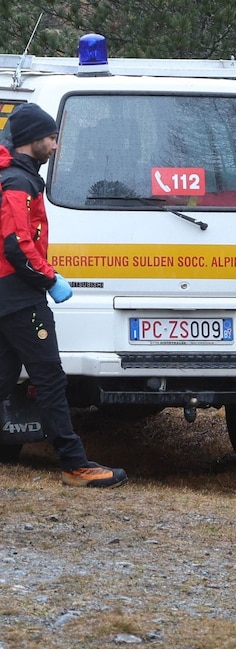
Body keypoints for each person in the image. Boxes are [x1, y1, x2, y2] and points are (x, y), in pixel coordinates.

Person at [0, 103, 127, 488]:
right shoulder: (17, 183)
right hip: (20, 296)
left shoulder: (17, 177)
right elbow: (16, 244)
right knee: (51, 379)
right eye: (52, 138)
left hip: (11, 293)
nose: (56, 146)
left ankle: (75, 462)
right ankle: (75, 465)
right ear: (32, 140)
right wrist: (49, 278)